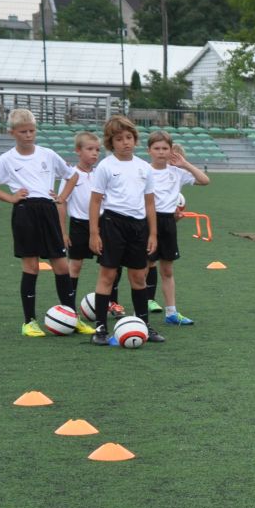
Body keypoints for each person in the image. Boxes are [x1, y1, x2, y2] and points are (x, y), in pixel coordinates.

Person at [0, 108, 80, 336]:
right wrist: (11, 198)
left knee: (61, 265)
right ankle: (29, 322)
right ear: (12, 133)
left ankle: (72, 317)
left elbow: (72, 175)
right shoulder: (7, 159)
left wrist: (62, 197)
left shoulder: (48, 154)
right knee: (31, 266)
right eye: (23, 131)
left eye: (32, 131)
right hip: (25, 212)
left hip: (48, 210)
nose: (28, 135)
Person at [87, 115, 164, 346]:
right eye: (119, 139)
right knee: (108, 275)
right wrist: (94, 233)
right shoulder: (105, 166)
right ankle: (100, 327)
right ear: (111, 143)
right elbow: (95, 201)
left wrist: (153, 233)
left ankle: (144, 324)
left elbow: (149, 203)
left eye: (129, 137)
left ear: (135, 139)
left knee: (138, 277)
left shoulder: (144, 167)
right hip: (112, 224)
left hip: (138, 227)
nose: (125, 142)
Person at [145, 131, 210, 325]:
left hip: (168, 223)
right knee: (142, 269)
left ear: (171, 151)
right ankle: (140, 312)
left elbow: (205, 180)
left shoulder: (177, 172)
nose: (161, 152)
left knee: (167, 270)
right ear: (149, 151)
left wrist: (185, 164)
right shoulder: (144, 171)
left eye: (165, 148)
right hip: (147, 221)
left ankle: (171, 313)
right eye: (157, 148)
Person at [53, 131, 103, 333]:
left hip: (102, 224)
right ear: (78, 151)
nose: (94, 153)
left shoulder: (100, 174)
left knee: (110, 265)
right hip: (79, 225)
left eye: (97, 150)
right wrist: (63, 232)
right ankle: (69, 308)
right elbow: (61, 203)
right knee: (75, 265)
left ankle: (111, 304)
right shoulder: (71, 175)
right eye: (89, 149)